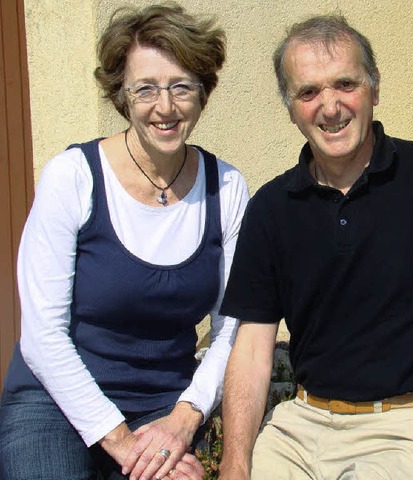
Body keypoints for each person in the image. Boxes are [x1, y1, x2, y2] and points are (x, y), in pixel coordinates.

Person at [217, 14, 413, 480]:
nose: (330, 106)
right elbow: (254, 348)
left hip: (409, 425)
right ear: (291, 108)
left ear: (374, 90)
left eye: (345, 84)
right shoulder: (271, 208)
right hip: (302, 424)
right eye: (309, 92)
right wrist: (234, 466)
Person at [0, 4, 249, 480]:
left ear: (203, 92)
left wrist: (185, 419)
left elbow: (230, 332)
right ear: (121, 95)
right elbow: (42, 337)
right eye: (146, 89)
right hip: (53, 401)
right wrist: (122, 442)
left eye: (181, 86)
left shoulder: (228, 188)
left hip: (162, 407)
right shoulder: (72, 177)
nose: (165, 107)